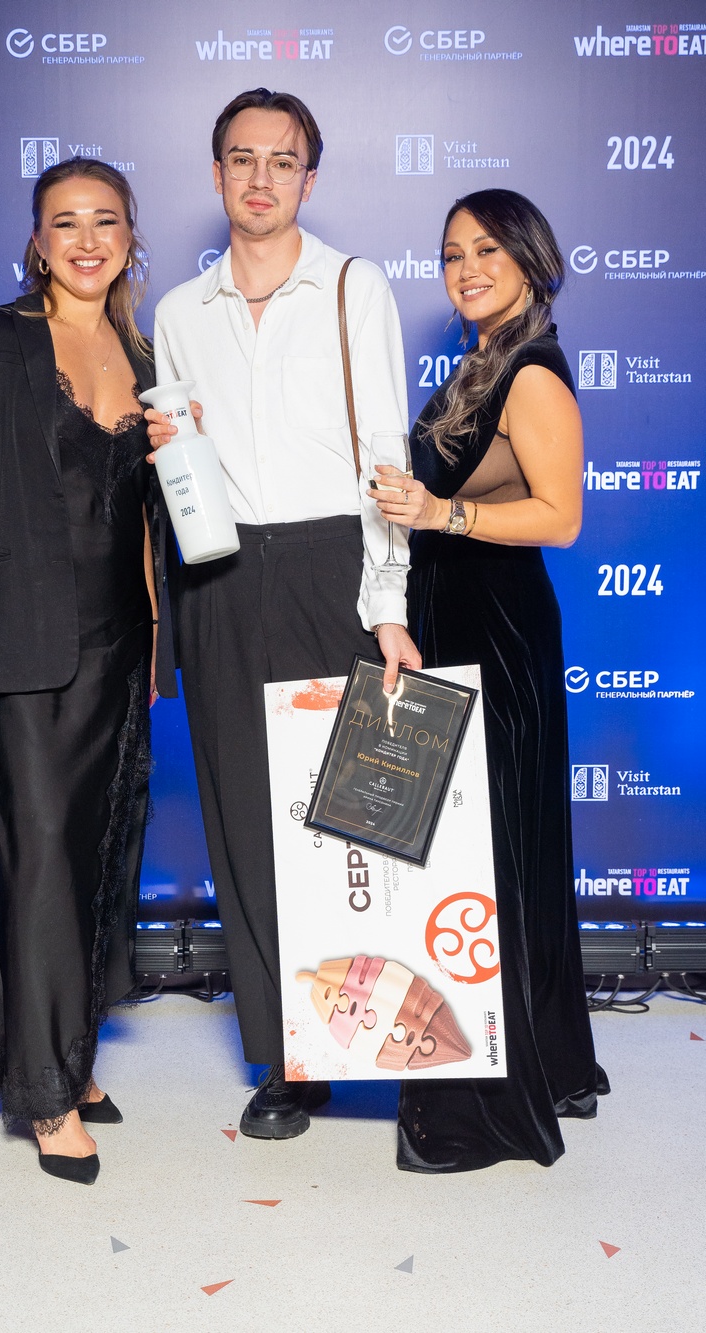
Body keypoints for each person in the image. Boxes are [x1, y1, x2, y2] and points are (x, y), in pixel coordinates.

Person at [145, 88, 418, 1140]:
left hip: (327, 560)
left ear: (310, 176)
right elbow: (180, 464)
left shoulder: (354, 287)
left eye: (283, 160)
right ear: (216, 173)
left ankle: (392, 1036)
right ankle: (292, 1057)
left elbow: (384, 453)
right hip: (219, 573)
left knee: (354, 814)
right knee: (246, 819)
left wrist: (387, 602)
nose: (261, 178)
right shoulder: (179, 311)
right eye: (242, 159)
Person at [0, 157, 171, 1185]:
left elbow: (151, 513)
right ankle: (43, 1092)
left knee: (104, 848)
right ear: (36, 240)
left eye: (104, 221)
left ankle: (73, 1052)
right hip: (24, 651)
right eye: (64, 222)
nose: (85, 240)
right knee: (38, 863)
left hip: (122, 642)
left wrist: (158, 637)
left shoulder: (146, 352)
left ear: (129, 237)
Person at [370, 188, 608, 1172]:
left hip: (497, 627)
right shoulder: (483, 362)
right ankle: (545, 1058)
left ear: (531, 260)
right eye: (451, 253)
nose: (466, 269)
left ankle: (484, 1107)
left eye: (487, 251)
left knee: (486, 855)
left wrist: (442, 515)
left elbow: (562, 517)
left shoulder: (532, 371)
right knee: (491, 848)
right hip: (457, 615)